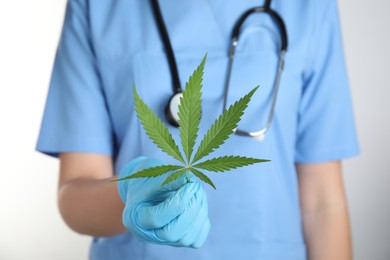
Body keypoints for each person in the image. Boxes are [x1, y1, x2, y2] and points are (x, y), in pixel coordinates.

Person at [36, 0, 359, 259]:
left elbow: (322, 201)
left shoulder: (310, 6)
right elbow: (74, 192)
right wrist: (129, 195)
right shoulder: (97, 6)